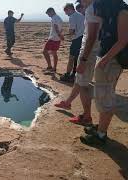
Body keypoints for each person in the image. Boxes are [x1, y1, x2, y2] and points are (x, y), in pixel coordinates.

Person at [80, 0, 128, 145]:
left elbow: (123, 40)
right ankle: (101, 127)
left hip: (111, 61)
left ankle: (101, 135)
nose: (96, 10)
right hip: (107, 59)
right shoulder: (111, 12)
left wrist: (104, 60)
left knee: (105, 97)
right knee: (102, 95)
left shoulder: (122, 12)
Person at [55, 0, 101, 127]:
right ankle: (67, 102)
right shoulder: (95, 8)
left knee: (84, 85)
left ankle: (86, 117)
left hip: (89, 52)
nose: (80, 2)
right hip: (92, 50)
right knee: (79, 79)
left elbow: (91, 36)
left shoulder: (92, 9)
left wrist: (84, 60)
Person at [60, 3, 85, 82]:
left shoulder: (72, 16)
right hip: (83, 38)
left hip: (77, 39)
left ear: (70, 9)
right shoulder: (81, 15)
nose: (65, 14)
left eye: (65, 12)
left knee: (71, 58)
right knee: (77, 58)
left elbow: (72, 31)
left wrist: (65, 34)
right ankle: (74, 75)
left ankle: (68, 75)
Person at [43, 8, 64, 72]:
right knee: (54, 53)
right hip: (57, 39)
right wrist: (61, 36)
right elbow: (61, 29)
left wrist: (60, 36)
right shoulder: (59, 18)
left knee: (44, 52)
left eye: (48, 14)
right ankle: (54, 68)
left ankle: (49, 66)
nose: (48, 15)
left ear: (52, 12)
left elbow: (56, 28)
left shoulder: (54, 18)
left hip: (53, 38)